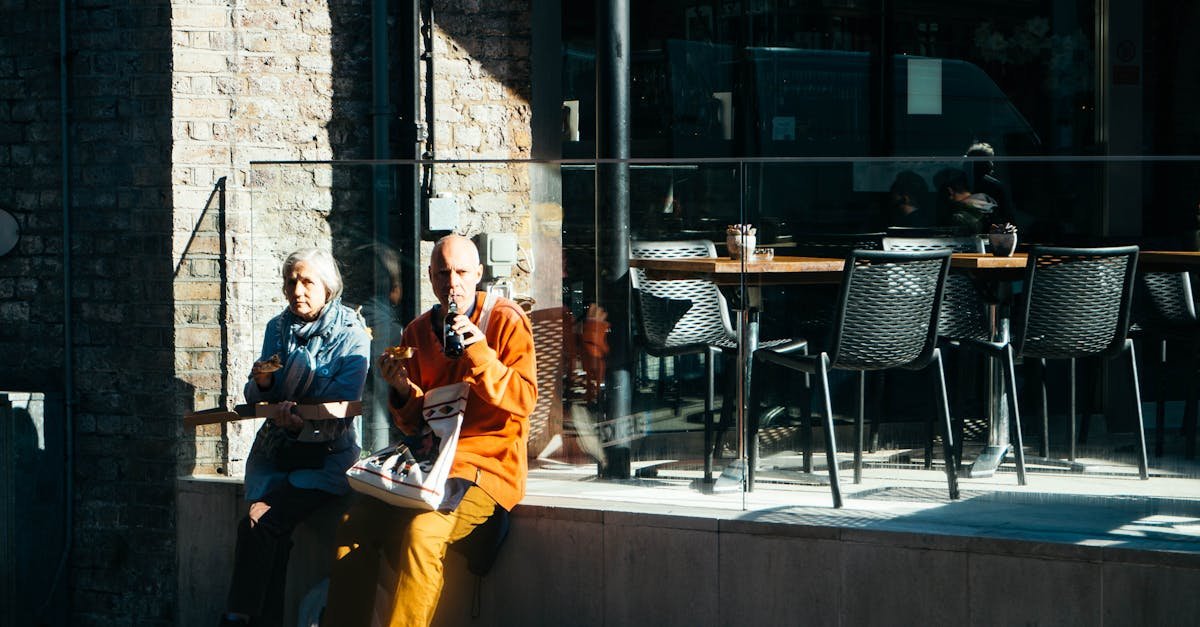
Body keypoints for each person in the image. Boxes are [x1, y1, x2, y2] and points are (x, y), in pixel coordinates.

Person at [323, 234, 538, 627]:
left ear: (478, 274)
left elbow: (524, 401)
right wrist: (403, 389)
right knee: (354, 525)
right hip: (428, 462)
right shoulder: (419, 332)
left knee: (423, 534)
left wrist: (480, 353)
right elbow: (414, 423)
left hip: (483, 466)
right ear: (430, 278)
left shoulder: (506, 320)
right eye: (442, 273)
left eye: (460, 272)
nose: (451, 282)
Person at [219, 249, 372, 627]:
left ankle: (239, 618)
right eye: (291, 282)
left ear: (327, 287)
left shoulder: (351, 334)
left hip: (326, 458)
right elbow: (258, 398)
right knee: (268, 534)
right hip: (277, 456)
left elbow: (343, 407)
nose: (297, 291)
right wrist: (263, 382)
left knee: (260, 521)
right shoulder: (278, 327)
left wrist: (301, 423)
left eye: (307, 282)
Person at [965, 141, 1016, 226]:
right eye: (989, 160)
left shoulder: (996, 186)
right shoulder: (995, 187)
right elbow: (1007, 217)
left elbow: (1007, 219)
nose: (991, 164)